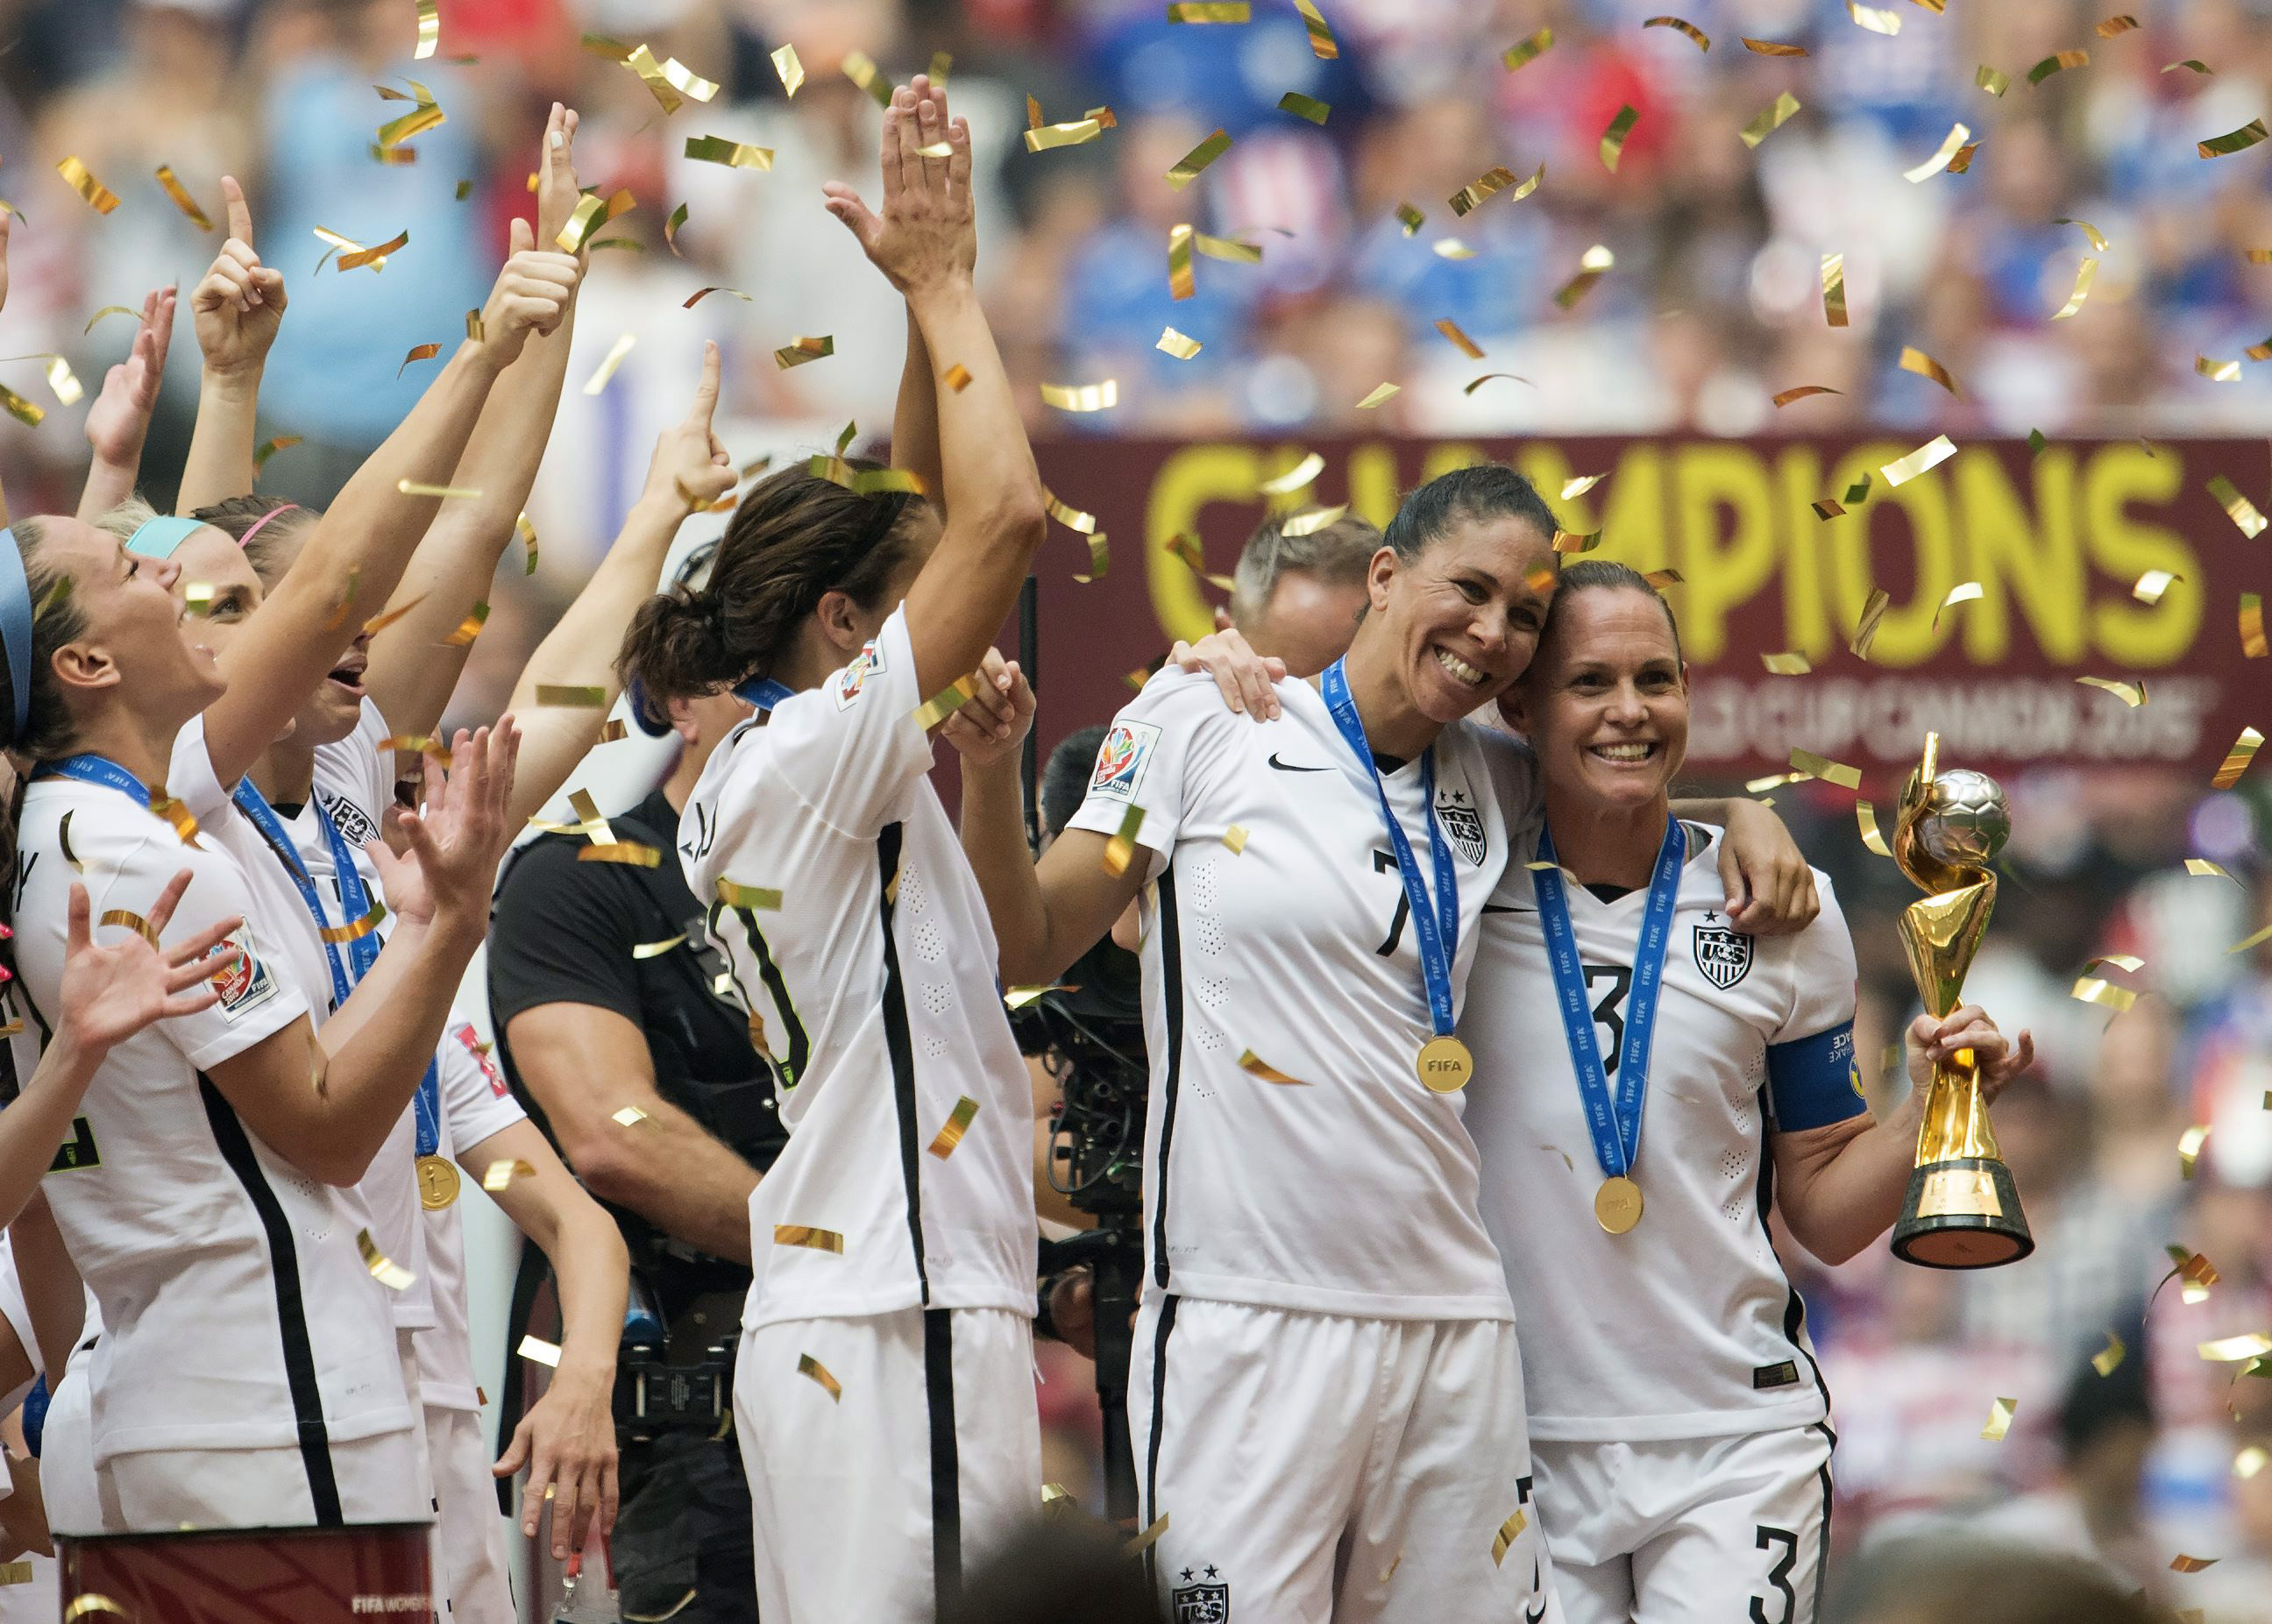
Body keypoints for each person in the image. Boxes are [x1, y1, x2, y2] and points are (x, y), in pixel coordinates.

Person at [946, 463, 1817, 1621]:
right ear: (1387, 573)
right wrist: (992, 768)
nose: (1493, 632)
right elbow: (1030, 941)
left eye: (1525, 614)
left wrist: (1747, 812)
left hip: (1457, 1331)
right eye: (1470, 589)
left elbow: (1625, 769)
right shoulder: (1201, 720)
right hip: (1246, 1312)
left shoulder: (1494, 778)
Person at [614, 75, 1049, 1623]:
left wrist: (941, 298)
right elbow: (1000, 514)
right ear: (847, 626)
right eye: (909, 601)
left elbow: (926, 507)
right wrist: (941, 291)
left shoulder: (786, 757)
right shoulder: (807, 757)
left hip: (865, 1301)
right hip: (892, 1304)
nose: (959, 627)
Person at [1458, 560, 2034, 1624]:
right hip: (1516, 1439)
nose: (1630, 710)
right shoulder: (1457, 883)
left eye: (1657, 678)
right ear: (1518, 709)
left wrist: (1929, 1101)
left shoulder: (1782, 907)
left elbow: (1821, 1206)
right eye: (1591, 681)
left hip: (1735, 1437)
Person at [489, 592, 787, 1623]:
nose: (818, 707)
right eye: (771, 677)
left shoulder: (876, 881)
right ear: (679, 700)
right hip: (704, 1406)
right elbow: (616, 1139)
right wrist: (849, 1254)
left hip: (898, 1368)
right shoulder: (579, 877)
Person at [1224, 507, 1379, 678]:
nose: (1311, 704)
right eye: (1289, 686)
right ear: (1227, 641)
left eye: (1347, 686)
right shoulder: (1196, 691)